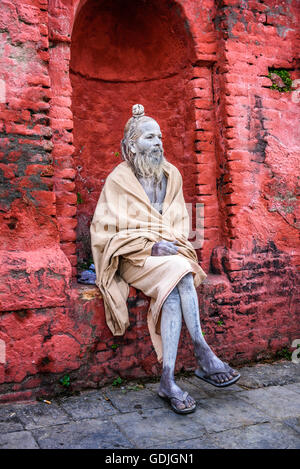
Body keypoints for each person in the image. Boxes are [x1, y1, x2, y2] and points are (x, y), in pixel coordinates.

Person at [90, 104, 240, 414]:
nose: (158, 143)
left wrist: (167, 242)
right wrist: (148, 246)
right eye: (149, 137)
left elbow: (179, 222)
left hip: (169, 258)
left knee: (174, 288)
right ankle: (202, 350)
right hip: (133, 260)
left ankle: (168, 379)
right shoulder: (118, 180)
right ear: (132, 145)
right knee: (182, 271)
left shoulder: (171, 174)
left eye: (160, 136)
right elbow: (104, 231)